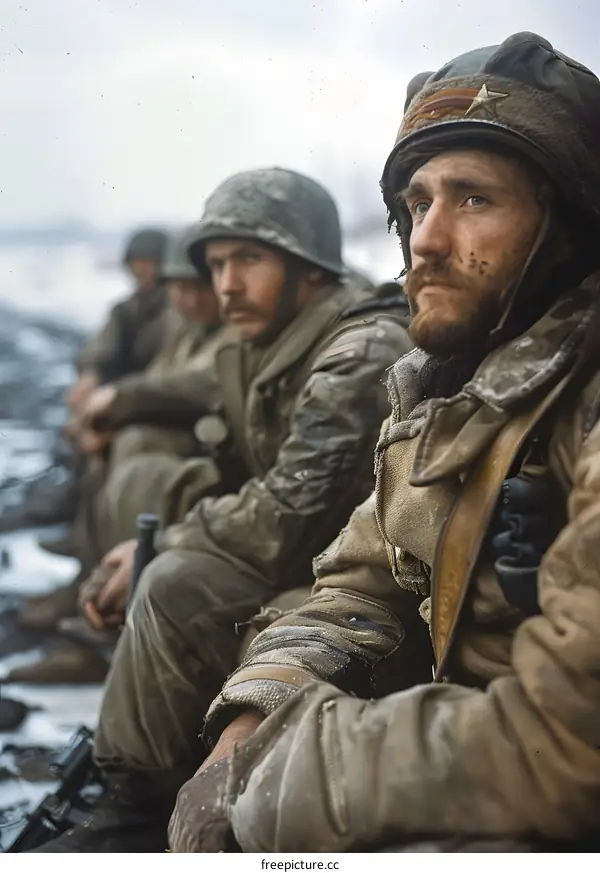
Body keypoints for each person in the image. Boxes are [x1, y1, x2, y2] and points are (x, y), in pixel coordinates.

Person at [168, 33, 600, 854]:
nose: (426, 240)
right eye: (415, 204)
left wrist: (285, 772)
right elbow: (362, 583)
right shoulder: (445, 389)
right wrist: (253, 719)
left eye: (473, 199)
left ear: (571, 225)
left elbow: (570, 742)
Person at [31, 166, 413, 852]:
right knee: (170, 554)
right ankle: (133, 782)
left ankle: (138, 806)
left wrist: (166, 537)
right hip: (319, 552)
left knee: (176, 579)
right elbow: (222, 416)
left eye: (249, 258)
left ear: (310, 268)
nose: (226, 283)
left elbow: (293, 510)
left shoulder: (360, 349)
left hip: (364, 579)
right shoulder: (270, 335)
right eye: (216, 263)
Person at [10, 226, 231, 683]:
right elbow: (156, 374)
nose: (186, 299)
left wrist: (118, 403)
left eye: (196, 287)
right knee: (108, 449)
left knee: (132, 452)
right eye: (178, 288)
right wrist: (104, 401)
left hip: (216, 468)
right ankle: (89, 591)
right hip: (196, 454)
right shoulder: (186, 326)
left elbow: (199, 385)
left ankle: (102, 614)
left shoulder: (233, 331)